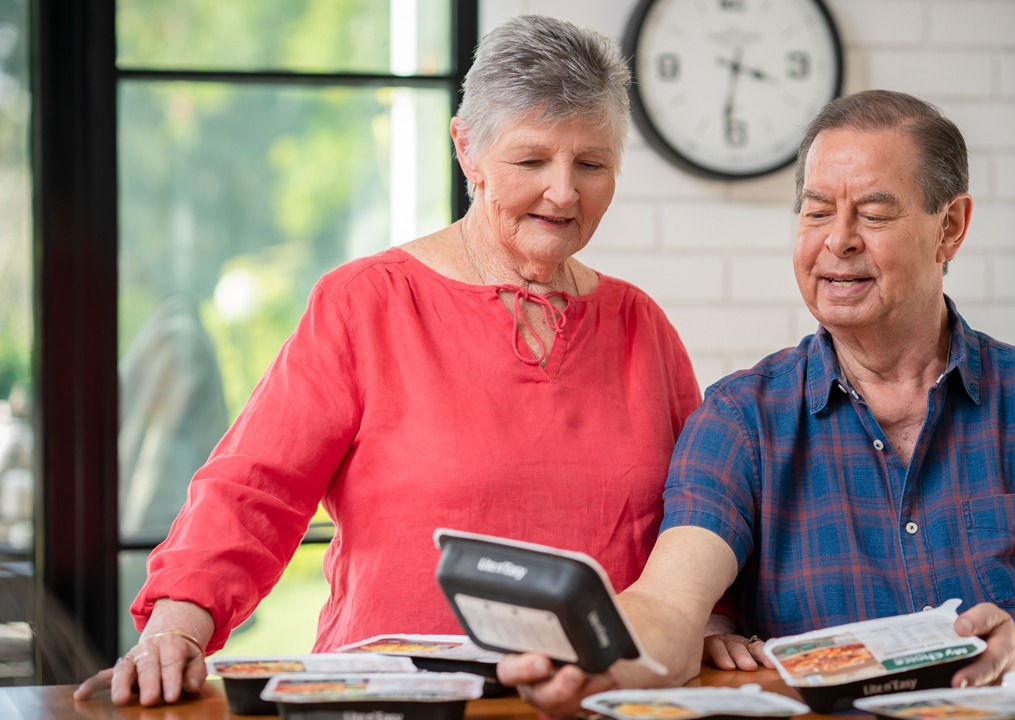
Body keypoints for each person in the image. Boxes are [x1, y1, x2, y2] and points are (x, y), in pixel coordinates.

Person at [75, 15, 702, 708]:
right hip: (390, 702)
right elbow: (255, 488)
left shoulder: (641, 325)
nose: (563, 192)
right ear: (468, 149)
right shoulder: (365, 304)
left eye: (592, 164)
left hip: (597, 704)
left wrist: (720, 618)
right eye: (531, 162)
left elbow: (704, 515)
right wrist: (176, 627)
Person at [499, 89, 1015, 720]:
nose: (839, 240)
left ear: (949, 227)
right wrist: (591, 657)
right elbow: (668, 609)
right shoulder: (740, 420)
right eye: (815, 211)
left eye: (873, 213)